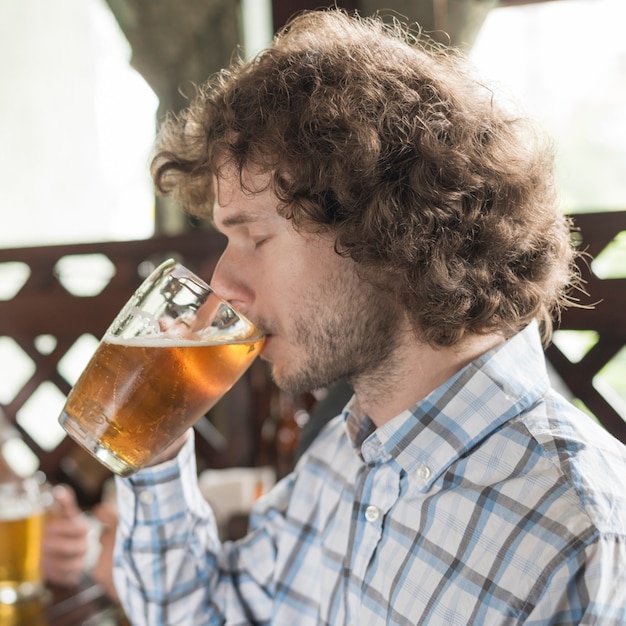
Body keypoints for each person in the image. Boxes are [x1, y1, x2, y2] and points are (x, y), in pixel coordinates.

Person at [112, 9, 626, 624]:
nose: (222, 283)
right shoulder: (349, 450)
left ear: (387, 233)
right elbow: (208, 613)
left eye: (256, 239)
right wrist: (157, 449)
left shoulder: (577, 533)